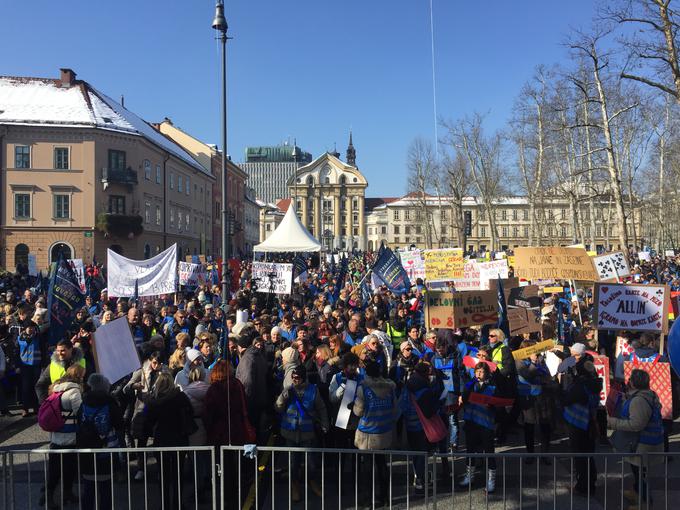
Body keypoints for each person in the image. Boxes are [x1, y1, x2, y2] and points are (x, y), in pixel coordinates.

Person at [608, 369, 664, 507]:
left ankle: (643, 503)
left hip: (643, 444)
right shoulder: (644, 395)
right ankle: (637, 493)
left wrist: (612, 422)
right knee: (637, 471)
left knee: (640, 474)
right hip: (642, 443)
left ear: (633, 383)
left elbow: (636, 424)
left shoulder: (639, 400)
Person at [274, 365, 328, 501]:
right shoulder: (288, 390)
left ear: (303, 377)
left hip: (307, 432)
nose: (294, 380)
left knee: (311, 463)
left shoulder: (313, 390)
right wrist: (282, 398)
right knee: (293, 464)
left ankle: (312, 482)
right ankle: (295, 487)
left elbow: (321, 408)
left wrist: (324, 424)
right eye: (293, 377)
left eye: (297, 377)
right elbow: (278, 408)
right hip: (290, 433)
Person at [145, 372, 195, 510]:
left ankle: (165, 504)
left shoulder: (154, 401)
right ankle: (178, 503)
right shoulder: (180, 397)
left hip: (161, 440)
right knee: (178, 474)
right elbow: (190, 411)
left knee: (164, 475)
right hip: (179, 439)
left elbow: (148, 421)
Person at [41, 364, 86, 509]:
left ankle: (56, 494)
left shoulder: (56, 390)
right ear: (78, 376)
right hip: (69, 436)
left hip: (56, 436)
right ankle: (56, 496)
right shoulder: (74, 392)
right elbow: (80, 413)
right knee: (68, 468)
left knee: (56, 469)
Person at [352, 359, 397, 506]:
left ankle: (368, 498)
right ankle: (385, 496)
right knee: (382, 465)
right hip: (384, 430)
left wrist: (353, 406)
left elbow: (358, 411)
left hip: (368, 433)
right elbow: (394, 408)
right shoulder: (390, 388)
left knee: (368, 468)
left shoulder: (363, 388)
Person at [77, 373, 123, 510]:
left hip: (87, 451)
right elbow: (120, 425)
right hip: (106, 451)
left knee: (88, 490)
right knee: (105, 491)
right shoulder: (110, 403)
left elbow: (79, 422)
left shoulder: (84, 403)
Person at [560, 342, 600, 495]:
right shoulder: (592, 378)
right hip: (588, 420)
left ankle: (583, 487)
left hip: (578, 423)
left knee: (580, 455)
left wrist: (561, 394)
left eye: (574, 356)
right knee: (588, 454)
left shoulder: (580, 384)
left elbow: (567, 399)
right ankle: (590, 484)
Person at [460, 362, 497, 493]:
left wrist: (492, 406)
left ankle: (491, 479)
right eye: (477, 372)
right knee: (470, 450)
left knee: (488, 451)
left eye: (481, 372)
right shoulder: (471, 384)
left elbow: (498, 404)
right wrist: (470, 384)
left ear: (486, 373)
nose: (478, 374)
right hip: (472, 422)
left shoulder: (493, 386)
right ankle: (470, 475)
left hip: (486, 423)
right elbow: (464, 398)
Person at [516, 342, 555, 464]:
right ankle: (530, 453)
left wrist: (542, 371)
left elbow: (547, 374)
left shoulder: (540, 359)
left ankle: (545, 453)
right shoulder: (519, 360)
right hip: (527, 397)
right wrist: (533, 363)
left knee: (545, 425)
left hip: (541, 396)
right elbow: (527, 375)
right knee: (529, 426)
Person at [35, 339, 87, 403]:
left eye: (63, 351)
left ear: (71, 349)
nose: (59, 353)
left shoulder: (82, 363)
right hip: (57, 404)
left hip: (78, 401)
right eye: (58, 351)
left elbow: (89, 385)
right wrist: (45, 403)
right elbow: (40, 385)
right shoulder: (52, 365)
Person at [17, 320, 42, 416]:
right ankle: (25, 408)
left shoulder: (38, 337)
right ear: (25, 328)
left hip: (36, 364)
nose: (31, 329)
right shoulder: (20, 338)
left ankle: (36, 407)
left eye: (32, 327)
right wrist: (17, 365)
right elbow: (17, 351)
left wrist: (43, 363)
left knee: (36, 386)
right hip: (25, 366)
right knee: (25, 387)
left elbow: (42, 349)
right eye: (29, 327)